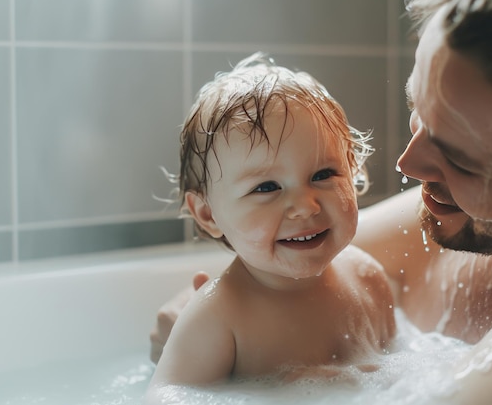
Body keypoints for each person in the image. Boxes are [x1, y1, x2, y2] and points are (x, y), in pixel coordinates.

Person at [150, 0, 492, 403]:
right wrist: (212, 323)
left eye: (462, 160)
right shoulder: (451, 217)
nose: (407, 164)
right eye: (417, 111)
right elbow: (280, 270)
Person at [144, 53, 396, 401]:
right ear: (207, 215)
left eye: (323, 175)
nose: (305, 206)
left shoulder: (369, 277)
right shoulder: (219, 318)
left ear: (354, 174)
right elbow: (168, 396)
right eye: (266, 188)